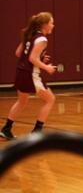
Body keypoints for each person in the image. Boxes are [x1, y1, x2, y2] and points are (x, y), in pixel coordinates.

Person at [0, 12, 57, 141]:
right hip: (31, 75)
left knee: (22, 101)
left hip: (21, 72)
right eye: (51, 23)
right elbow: (32, 58)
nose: (53, 25)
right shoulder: (42, 39)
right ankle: (37, 131)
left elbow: (18, 53)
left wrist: (40, 57)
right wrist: (46, 67)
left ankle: (6, 129)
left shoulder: (30, 35)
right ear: (45, 25)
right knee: (50, 100)